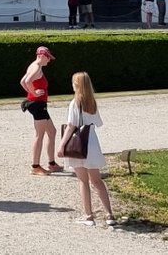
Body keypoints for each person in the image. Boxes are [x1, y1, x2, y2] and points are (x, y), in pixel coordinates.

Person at [62, 71, 113, 226]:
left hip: (79, 141)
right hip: (92, 141)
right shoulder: (92, 102)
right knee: (97, 180)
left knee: (83, 181)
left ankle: (88, 215)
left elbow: (71, 126)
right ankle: (109, 214)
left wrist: (62, 145)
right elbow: (97, 123)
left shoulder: (75, 102)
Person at [20, 45, 59, 175]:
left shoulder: (34, 66)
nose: (49, 60)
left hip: (38, 103)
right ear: (42, 56)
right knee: (39, 135)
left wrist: (31, 93)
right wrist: (35, 94)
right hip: (37, 104)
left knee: (52, 131)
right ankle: (35, 166)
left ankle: (52, 163)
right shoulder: (36, 67)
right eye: (48, 57)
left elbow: (22, 81)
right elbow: (27, 81)